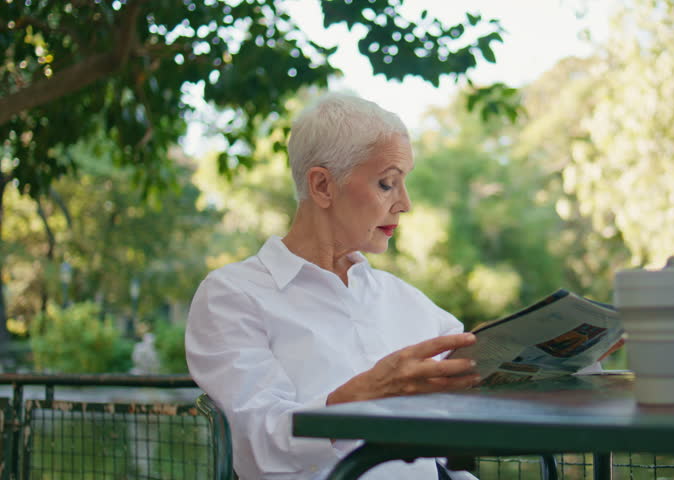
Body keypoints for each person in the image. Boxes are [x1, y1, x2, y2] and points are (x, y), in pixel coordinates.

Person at [185, 93, 481, 480]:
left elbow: (476, 394)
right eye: (387, 183)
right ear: (323, 186)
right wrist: (364, 394)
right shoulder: (232, 297)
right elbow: (258, 445)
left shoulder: (408, 302)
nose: (405, 203)